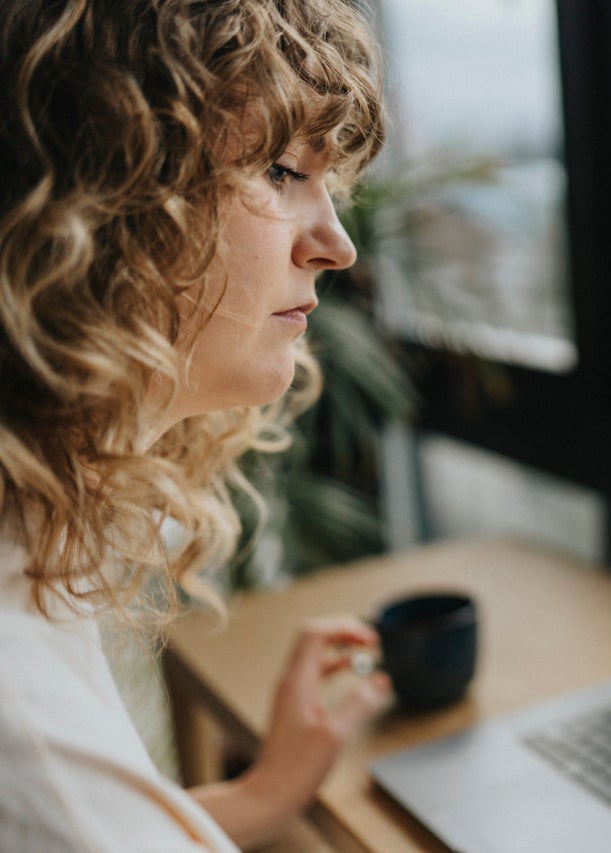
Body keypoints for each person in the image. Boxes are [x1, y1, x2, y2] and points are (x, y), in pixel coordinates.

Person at [0, 0, 395, 848]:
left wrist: (261, 795)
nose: (336, 243)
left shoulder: (35, 528)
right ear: (106, 199)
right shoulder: (19, 706)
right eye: (284, 172)